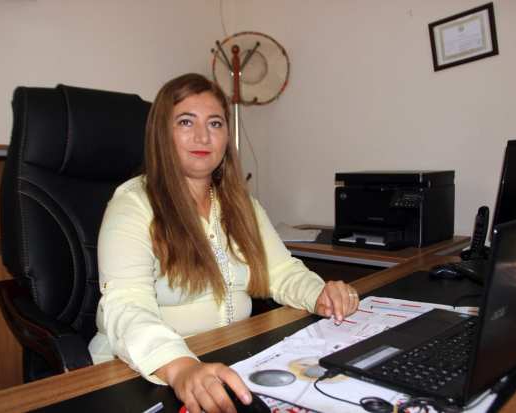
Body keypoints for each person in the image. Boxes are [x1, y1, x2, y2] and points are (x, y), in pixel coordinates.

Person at [88, 73, 359, 413]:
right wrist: (180, 367)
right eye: (186, 122)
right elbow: (126, 306)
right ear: (161, 134)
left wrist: (319, 294)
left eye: (215, 123)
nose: (203, 136)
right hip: (142, 372)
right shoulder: (133, 205)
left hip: (228, 358)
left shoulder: (241, 204)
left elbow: (281, 272)